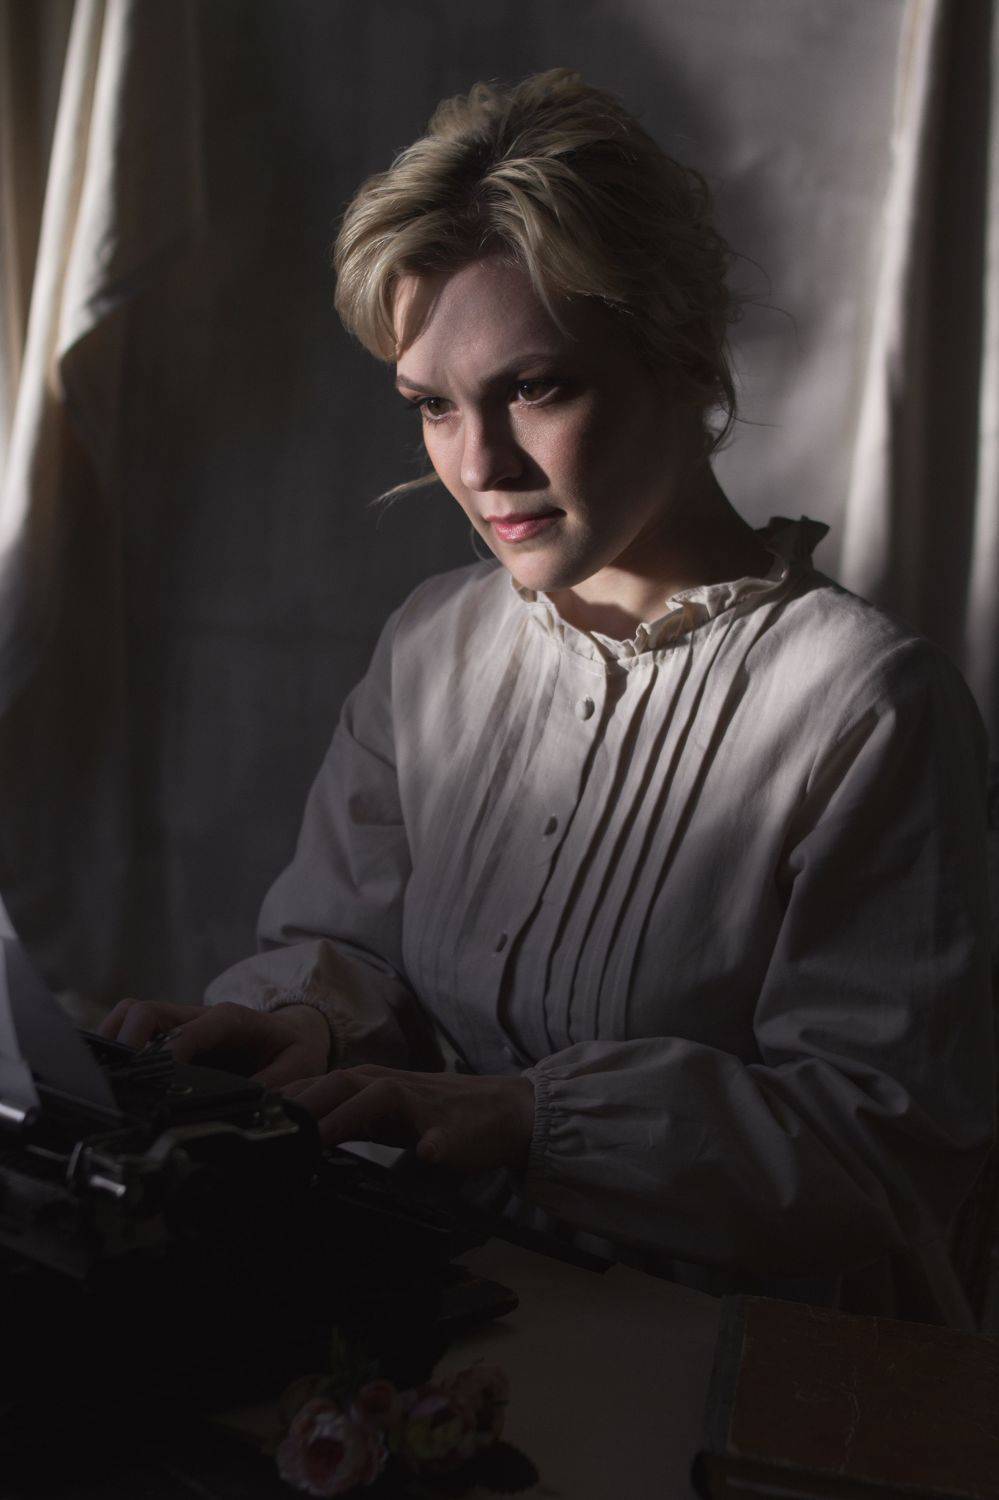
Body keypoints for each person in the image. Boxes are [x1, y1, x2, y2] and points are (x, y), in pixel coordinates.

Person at [101, 69, 994, 1324]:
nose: (479, 466)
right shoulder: (432, 646)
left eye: (535, 386)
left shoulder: (868, 706)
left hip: (734, 1369)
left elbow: (884, 1149)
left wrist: (529, 1119)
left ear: (684, 354)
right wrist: (304, 1027)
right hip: (446, 1317)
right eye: (433, 406)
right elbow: (352, 950)